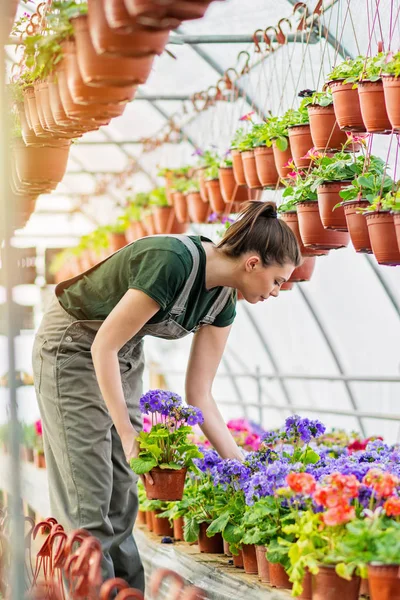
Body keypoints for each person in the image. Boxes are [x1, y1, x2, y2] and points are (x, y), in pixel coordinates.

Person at [32, 201, 301, 592]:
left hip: (121, 354)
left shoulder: (223, 302)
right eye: (278, 280)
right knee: (87, 501)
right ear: (254, 263)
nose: (278, 292)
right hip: (72, 346)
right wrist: (126, 433)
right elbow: (101, 347)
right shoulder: (173, 261)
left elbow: (199, 395)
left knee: (123, 498)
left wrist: (243, 470)